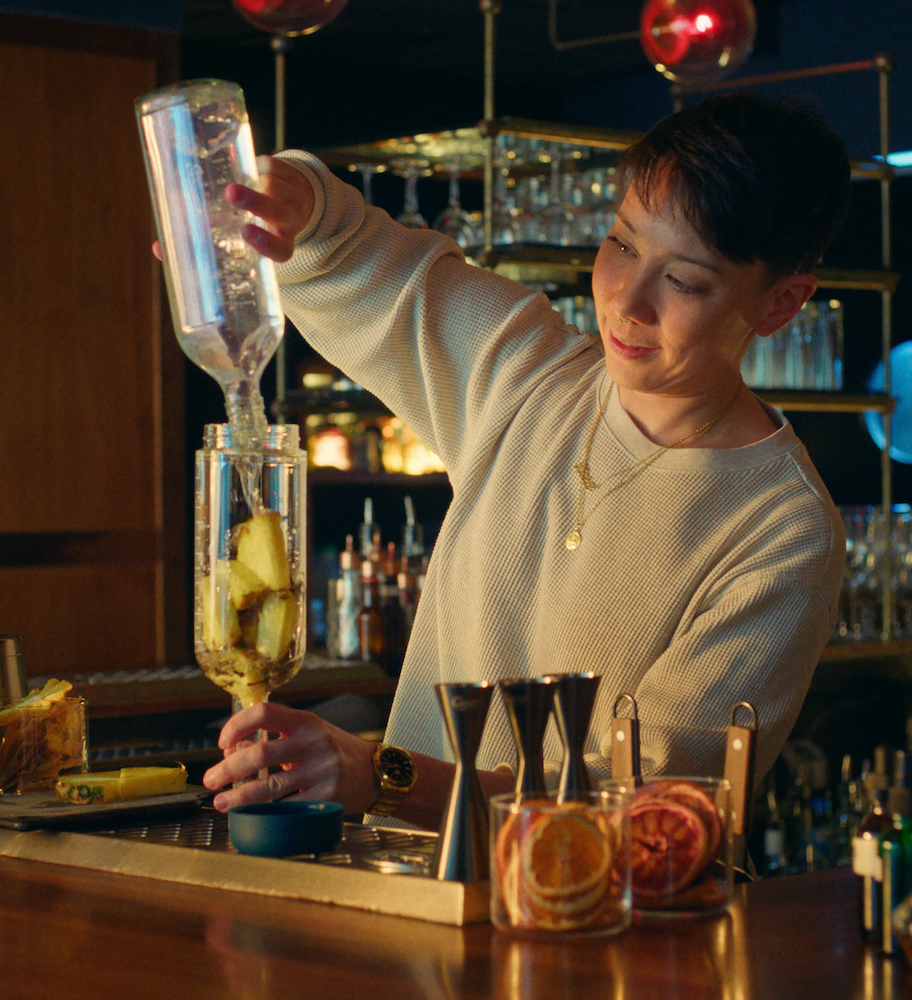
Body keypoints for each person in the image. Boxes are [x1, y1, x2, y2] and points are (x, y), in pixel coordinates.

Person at [200, 93, 851, 829]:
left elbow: (648, 810)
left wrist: (384, 777)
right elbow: (356, 256)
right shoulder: (529, 374)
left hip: (584, 926)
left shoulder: (783, 531)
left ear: (781, 303)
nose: (626, 301)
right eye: (623, 245)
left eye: (684, 281)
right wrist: (294, 204)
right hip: (396, 901)